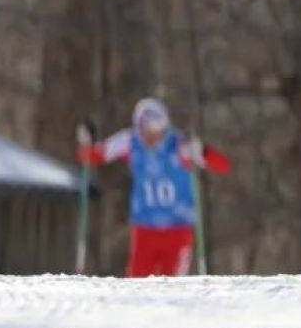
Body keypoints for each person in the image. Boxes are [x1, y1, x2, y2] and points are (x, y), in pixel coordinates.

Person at [77, 97, 230, 277]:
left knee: (173, 286)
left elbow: (223, 166)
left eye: (158, 132)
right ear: (138, 127)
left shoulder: (179, 144)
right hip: (145, 230)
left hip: (178, 229)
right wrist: (85, 141)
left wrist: (200, 150)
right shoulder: (130, 142)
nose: (152, 138)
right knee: (138, 285)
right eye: (147, 132)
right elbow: (93, 157)